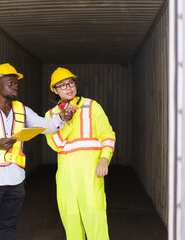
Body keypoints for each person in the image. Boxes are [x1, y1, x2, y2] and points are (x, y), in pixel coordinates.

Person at [0, 63, 73, 240]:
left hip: (16, 180)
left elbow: (44, 126)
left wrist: (60, 118)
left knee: (9, 226)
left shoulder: (22, 110)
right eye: (10, 83)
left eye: (16, 84)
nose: (15, 87)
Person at [44, 67, 116, 240]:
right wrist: (66, 121)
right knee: (72, 224)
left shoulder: (92, 106)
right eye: (62, 85)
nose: (68, 88)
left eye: (71, 83)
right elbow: (55, 144)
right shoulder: (51, 115)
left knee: (95, 221)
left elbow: (108, 134)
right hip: (66, 178)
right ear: (54, 90)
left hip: (90, 174)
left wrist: (105, 159)